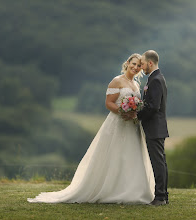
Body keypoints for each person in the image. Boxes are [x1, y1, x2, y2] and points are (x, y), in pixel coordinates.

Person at [27, 53, 155, 204]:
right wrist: (123, 111)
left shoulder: (135, 84)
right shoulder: (116, 81)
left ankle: (130, 190)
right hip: (118, 123)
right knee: (114, 155)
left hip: (132, 126)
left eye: (139, 65)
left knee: (131, 156)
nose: (135, 67)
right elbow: (109, 103)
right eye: (133, 64)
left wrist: (134, 112)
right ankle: (109, 190)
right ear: (127, 63)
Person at [138, 50, 169, 206]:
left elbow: (153, 106)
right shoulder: (156, 78)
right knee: (161, 162)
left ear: (150, 63)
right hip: (156, 127)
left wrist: (138, 115)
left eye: (143, 63)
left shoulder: (155, 79)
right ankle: (164, 196)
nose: (141, 67)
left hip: (155, 127)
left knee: (158, 163)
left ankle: (160, 197)